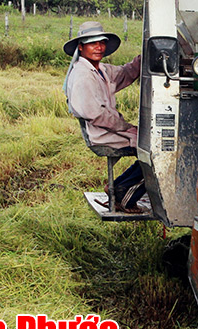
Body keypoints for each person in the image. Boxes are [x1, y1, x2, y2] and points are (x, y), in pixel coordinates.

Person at [63, 21, 147, 214]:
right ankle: (124, 196)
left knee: (150, 142)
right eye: (93, 44)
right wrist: (125, 127)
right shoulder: (83, 75)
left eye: (101, 43)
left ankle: (118, 186)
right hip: (101, 133)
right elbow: (96, 114)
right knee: (154, 150)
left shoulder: (101, 69)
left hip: (109, 129)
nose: (99, 48)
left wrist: (147, 56)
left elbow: (125, 73)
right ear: (81, 47)